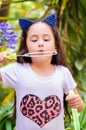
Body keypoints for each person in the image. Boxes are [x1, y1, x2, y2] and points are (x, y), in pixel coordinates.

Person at [0, 14, 84, 130]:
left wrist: (77, 102)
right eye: (34, 40)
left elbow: (80, 107)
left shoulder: (63, 73)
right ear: (27, 46)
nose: (40, 43)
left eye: (46, 39)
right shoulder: (17, 70)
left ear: (55, 46)